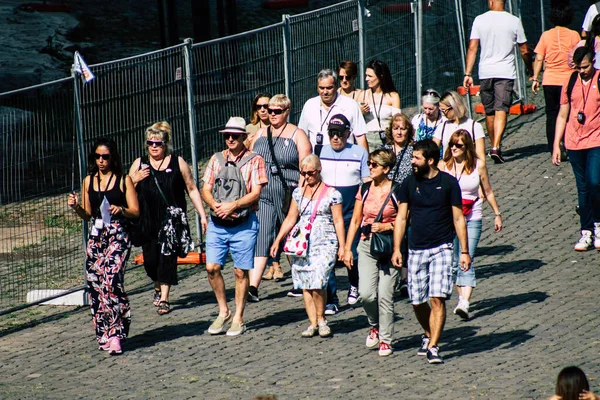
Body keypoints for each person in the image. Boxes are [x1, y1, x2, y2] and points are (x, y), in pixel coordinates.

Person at [391, 139, 471, 364]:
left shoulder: (448, 183)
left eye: (416, 158)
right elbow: (402, 217)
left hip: (442, 248)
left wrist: (464, 251)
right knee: (416, 301)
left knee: (437, 298)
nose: (412, 162)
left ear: (431, 160)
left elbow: (458, 218)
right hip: (416, 249)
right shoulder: (408, 183)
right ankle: (428, 332)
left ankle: (434, 346)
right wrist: (397, 248)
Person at [68, 137, 139, 355]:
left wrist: (121, 209)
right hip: (97, 236)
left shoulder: (123, 180)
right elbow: (87, 214)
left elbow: (135, 211)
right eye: (97, 156)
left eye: (105, 157)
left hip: (118, 234)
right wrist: (76, 207)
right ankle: (104, 332)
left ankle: (117, 332)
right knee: (96, 285)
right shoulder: (89, 181)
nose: (101, 161)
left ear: (112, 158)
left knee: (111, 281)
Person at [129, 121, 208, 316]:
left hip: (171, 222)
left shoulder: (177, 162)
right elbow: (124, 189)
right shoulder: (139, 164)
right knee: (150, 261)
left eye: (158, 143)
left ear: (166, 144)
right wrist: (135, 179)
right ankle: (157, 284)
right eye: (150, 143)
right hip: (147, 221)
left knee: (167, 258)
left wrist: (202, 215)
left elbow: (191, 188)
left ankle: (164, 297)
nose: (154, 147)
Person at [201, 117, 268, 336]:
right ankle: (223, 311)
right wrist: (216, 206)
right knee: (212, 268)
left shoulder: (255, 160)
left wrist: (234, 206)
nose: (230, 139)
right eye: (227, 135)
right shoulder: (216, 159)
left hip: (243, 224)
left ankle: (238, 317)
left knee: (240, 271)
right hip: (218, 223)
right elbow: (206, 189)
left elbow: (256, 192)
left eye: (235, 136)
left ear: (244, 137)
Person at [270, 154, 346, 338]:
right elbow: (290, 218)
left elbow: (338, 221)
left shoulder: (332, 194)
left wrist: (343, 246)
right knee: (305, 282)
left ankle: (321, 320)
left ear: (319, 171)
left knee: (319, 280)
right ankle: (312, 323)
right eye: (303, 173)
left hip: (325, 241)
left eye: (310, 173)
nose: (306, 177)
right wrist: (278, 240)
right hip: (302, 243)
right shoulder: (298, 193)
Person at [248, 94, 311, 301]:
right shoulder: (259, 135)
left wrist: (301, 196)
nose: (271, 114)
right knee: (262, 237)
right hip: (264, 195)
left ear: (286, 112)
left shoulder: (297, 134)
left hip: (288, 194)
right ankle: (253, 287)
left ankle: (301, 282)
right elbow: (249, 163)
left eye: (276, 111)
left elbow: (306, 167)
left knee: (291, 237)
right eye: (269, 109)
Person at [438, 129, 503, 320]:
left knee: (467, 257)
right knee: (454, 262)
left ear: (467, 147)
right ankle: (462, 298)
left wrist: (497, 214)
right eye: (452, 144)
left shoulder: (478, 165)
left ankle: (464, 303)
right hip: (449, 218)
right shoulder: (444, 166)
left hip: (472, 216)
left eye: (459, 145)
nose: (454, 148)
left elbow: (488, 191)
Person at [344, 149, 399, 357]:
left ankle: (386, 339)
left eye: (374, 164)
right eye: (369, 163)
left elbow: (405, 220)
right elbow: (356, 220)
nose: (370, 167)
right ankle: (374, 325)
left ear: (386, 168)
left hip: (389, 247)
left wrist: (387, 226)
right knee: (366, 294)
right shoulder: (365, 188)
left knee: (385, 294)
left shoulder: (397, 190)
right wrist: (347, 247)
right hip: (366, 245)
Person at [463, 0, 533, 164]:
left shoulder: (479, 19)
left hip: (485, 72)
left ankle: (495, 146)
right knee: (501, 108)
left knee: (490, 111)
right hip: (505, 72)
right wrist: (529, 67)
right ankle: (496, 146)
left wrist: (468, 73)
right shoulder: (514, 21)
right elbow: (524, 49)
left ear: (491, 1)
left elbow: (472, 47)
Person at [320, 114, 370, 314]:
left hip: (351, 213)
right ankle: (331, 299)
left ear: (348, 133)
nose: (335, 138)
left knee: (353, 253)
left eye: (340, 134)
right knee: (329, 258)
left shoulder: (359, 152)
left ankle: (354, 284)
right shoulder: (320, 151)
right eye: (332, 133)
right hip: (327, 215)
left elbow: (366, 183)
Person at [552, 47, 600, 251]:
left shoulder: (599, 79)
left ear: (593, 61)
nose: (582, 71)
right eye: (578, 68)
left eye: (585, 67)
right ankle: (586, 231)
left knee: (595, 181)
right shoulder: (570, 81)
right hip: (574, 141)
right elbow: (563, 114)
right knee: (582, 187)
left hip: (596, 140)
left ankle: (598, 224)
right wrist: (556, 144)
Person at [532, 4, 581, 154]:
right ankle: (567, 142)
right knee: (568, 112)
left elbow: (539, 58)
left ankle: (553, 144)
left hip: (550, 80)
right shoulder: (574, 35)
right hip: (568, 79)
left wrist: (535, 78)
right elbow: (579, 57)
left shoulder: (546, 35)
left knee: (551, 113)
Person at [298, 69, 369, 156]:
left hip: (344, 159)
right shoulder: (309, 105)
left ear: (336, 87)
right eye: (321, 88)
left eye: (329, 88)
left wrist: (366, 164)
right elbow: (302, 136)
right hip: (316, 161)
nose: (325, 92)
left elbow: (360, 137)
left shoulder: (350, 105)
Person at [381, 113, 415, 294]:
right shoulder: (384, 150)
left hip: (407, 200)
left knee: (405, 239)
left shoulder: (413, 151)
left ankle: (405, 277)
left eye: (403, 129)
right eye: (396, 128)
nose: (399, 132)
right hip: (387, 200)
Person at [433, 91, 487, 165]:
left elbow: (481, 156)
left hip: (468, 169)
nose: (442, 114)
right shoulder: (442, 126)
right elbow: (432, 150)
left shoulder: (475, 126)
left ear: (454, 107)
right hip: (448, 170)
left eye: (444, 110)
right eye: (440, 111)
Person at [359, 59, 401, 148]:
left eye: (370, 76)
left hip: (387, 139)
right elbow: (355, 121)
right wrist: (360, 112)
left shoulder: (393, 96)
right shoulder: (363, 95)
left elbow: (397, 121)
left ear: (381, 76)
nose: (367, 79)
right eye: (366, 75)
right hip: (368, 139)